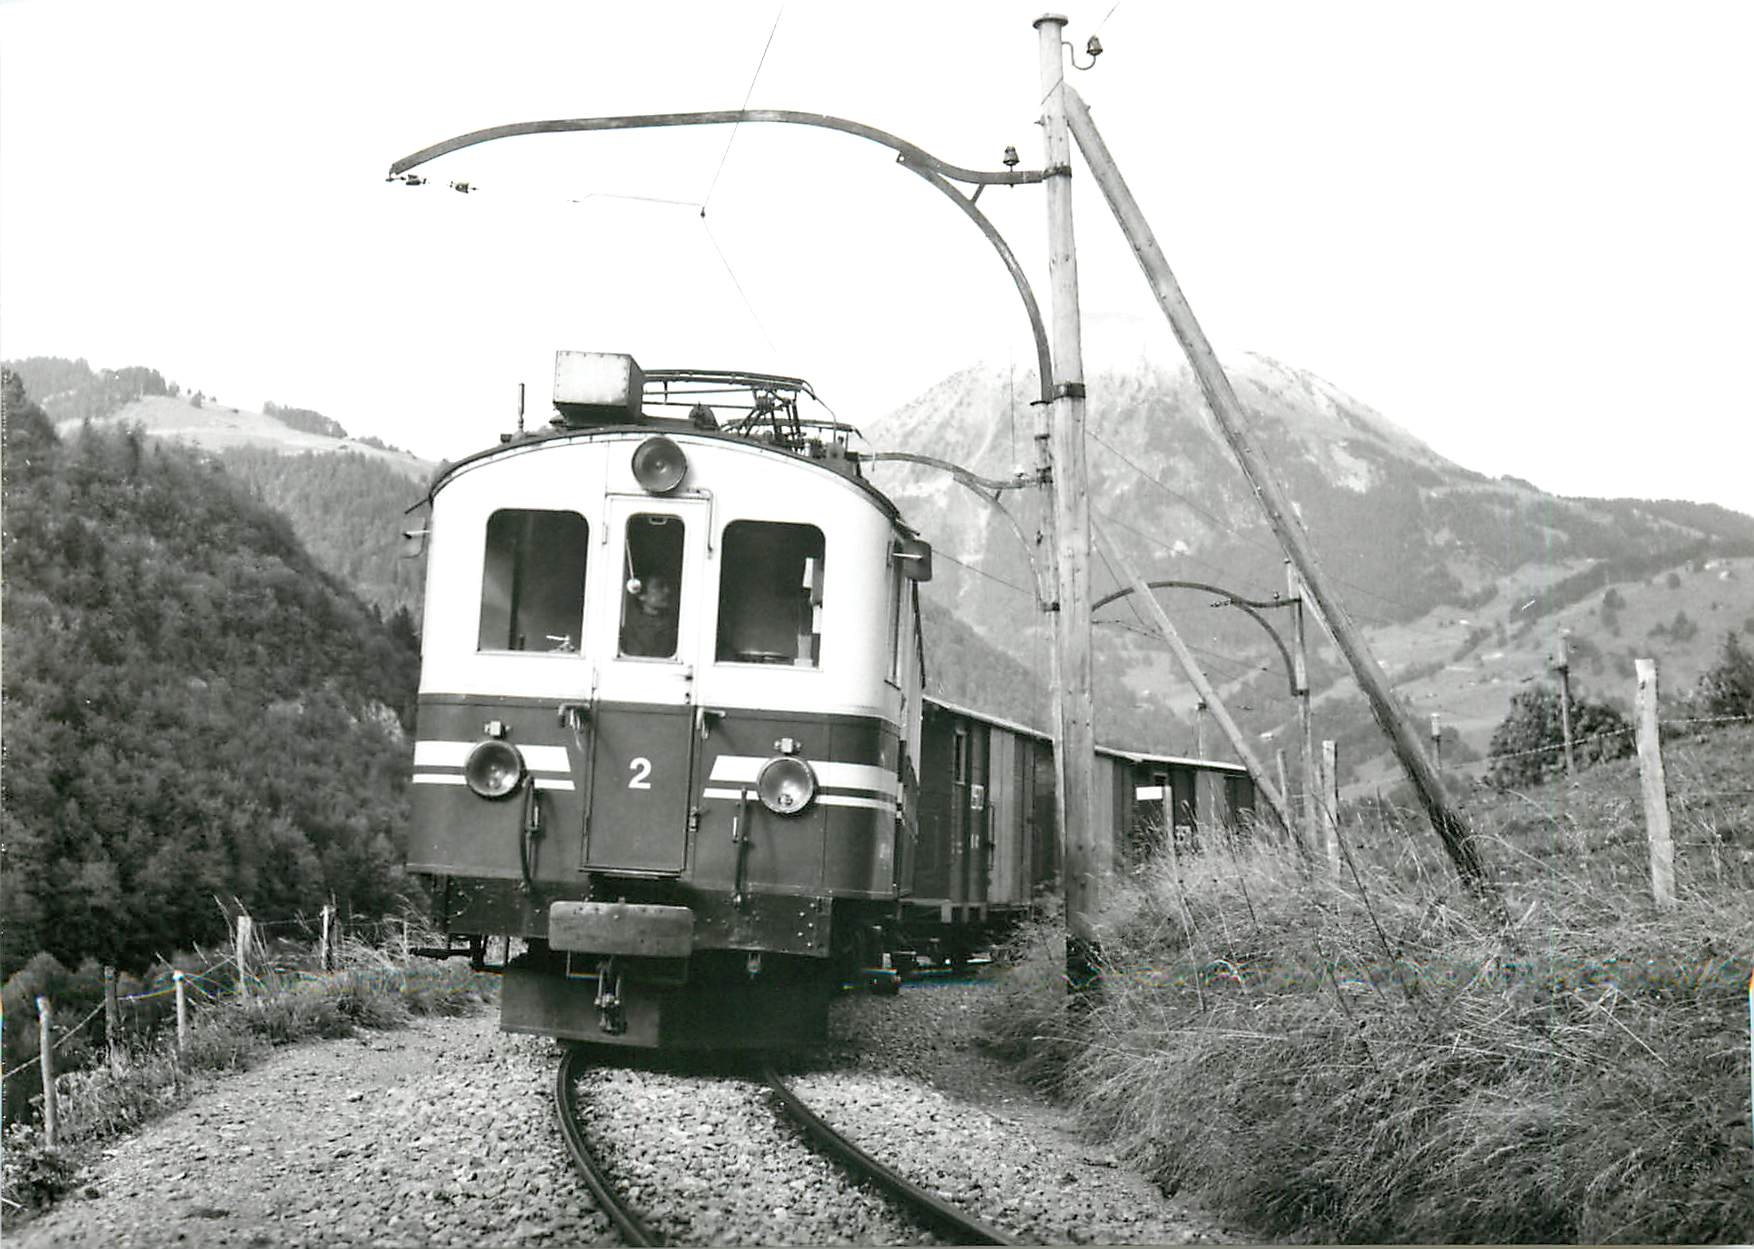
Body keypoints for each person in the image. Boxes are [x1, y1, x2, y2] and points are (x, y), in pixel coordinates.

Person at [620, 573, 678, 658]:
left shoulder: (674, 624)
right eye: (659, 587)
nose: (667, 591)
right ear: (642, 596)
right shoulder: (632, 628)